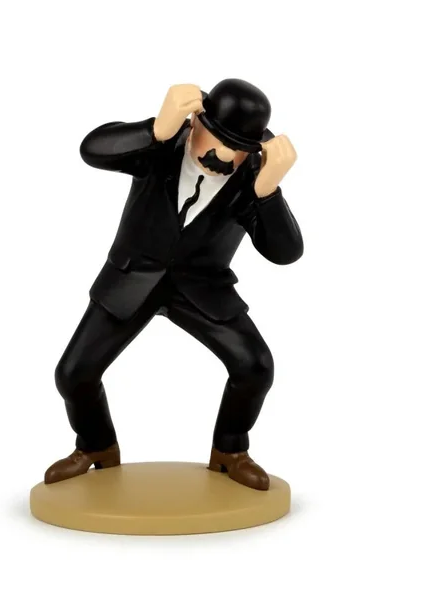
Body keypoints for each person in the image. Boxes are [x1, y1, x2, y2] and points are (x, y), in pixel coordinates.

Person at [45, 79, 303, 491]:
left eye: (238, 147)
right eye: (217, 138)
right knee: (74, 373)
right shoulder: (159, 149)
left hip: (202, 287)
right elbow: (91, 149)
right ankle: (96, 447)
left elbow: (285, 253)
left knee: (255, 366)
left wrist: (268, 193)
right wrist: (154, 130)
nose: (223, 154)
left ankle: (230, 452)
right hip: (132, 278)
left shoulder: (250, 182)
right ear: (194, 121)